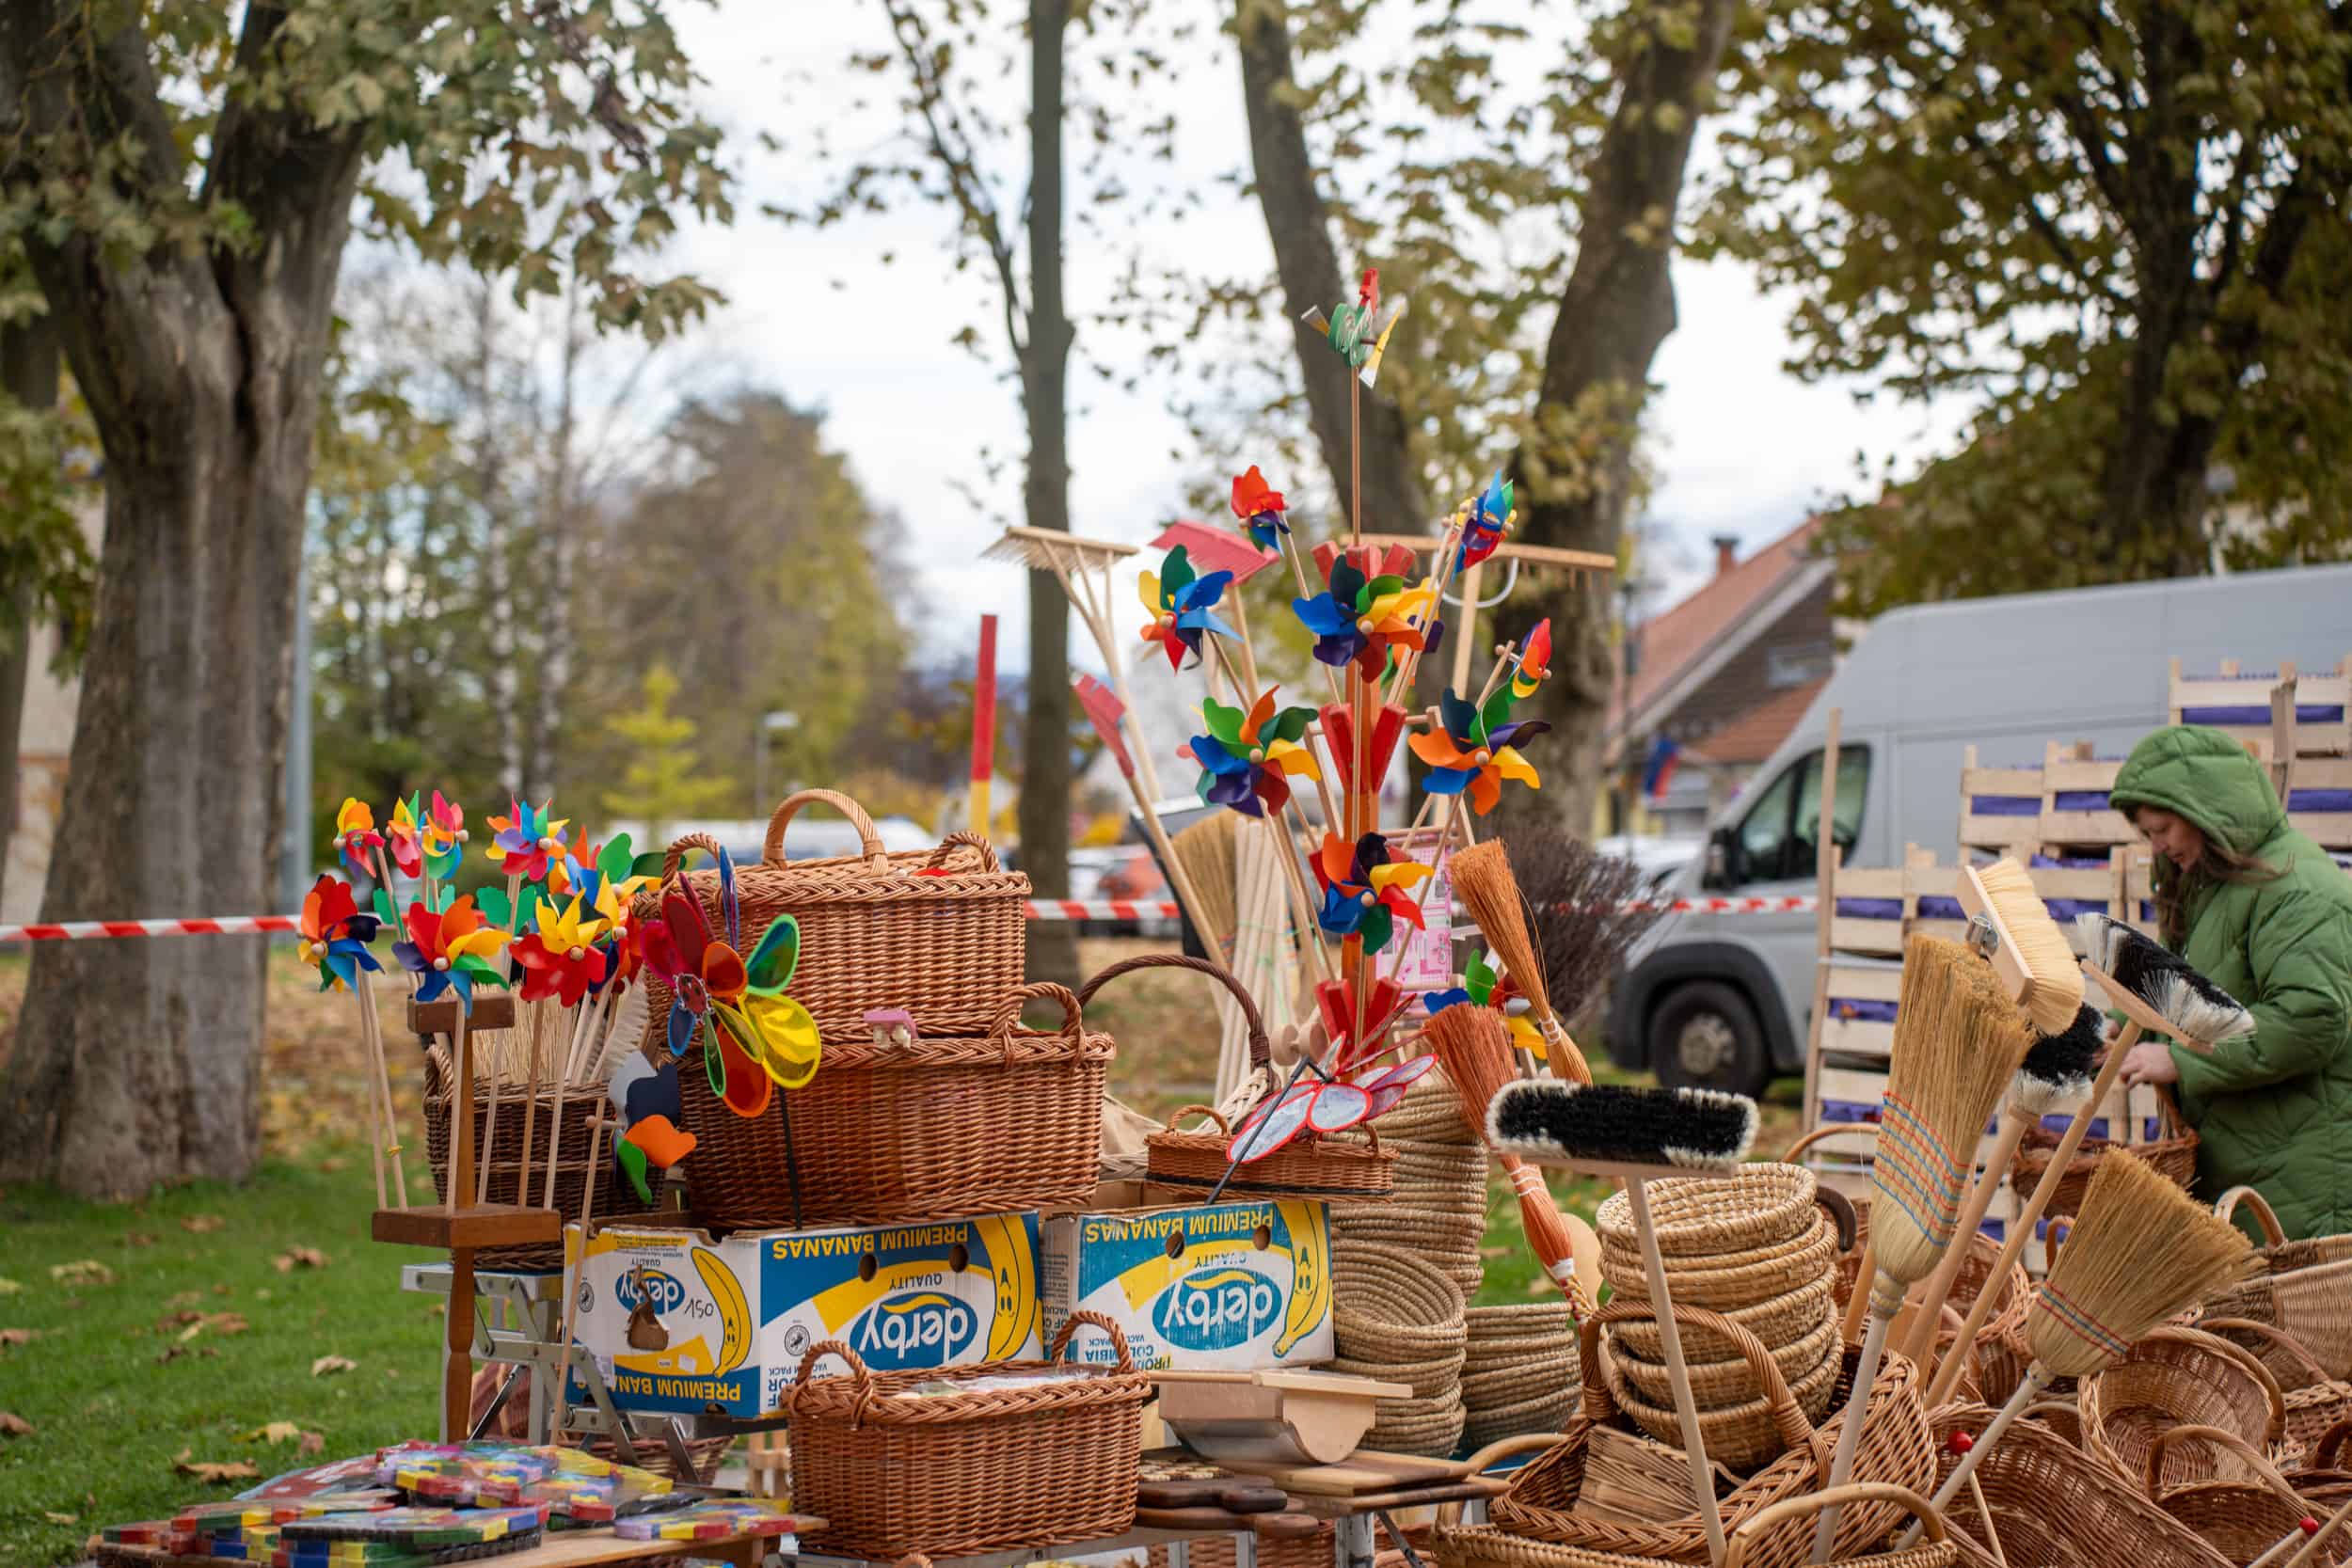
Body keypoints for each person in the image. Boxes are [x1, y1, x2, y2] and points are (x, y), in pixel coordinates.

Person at [2106, 722, 2352, 1242]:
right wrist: (2126, 1028)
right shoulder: (2216, 886)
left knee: (2295, 1326)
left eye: (2163, 828)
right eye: (2147, 833)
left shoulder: (2295, 888)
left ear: (2203, 810)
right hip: (2247, 1165)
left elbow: (2311, 1019)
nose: (2157, 845)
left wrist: (2180, 1059)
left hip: (2299, 1184)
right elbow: (2197, 993)